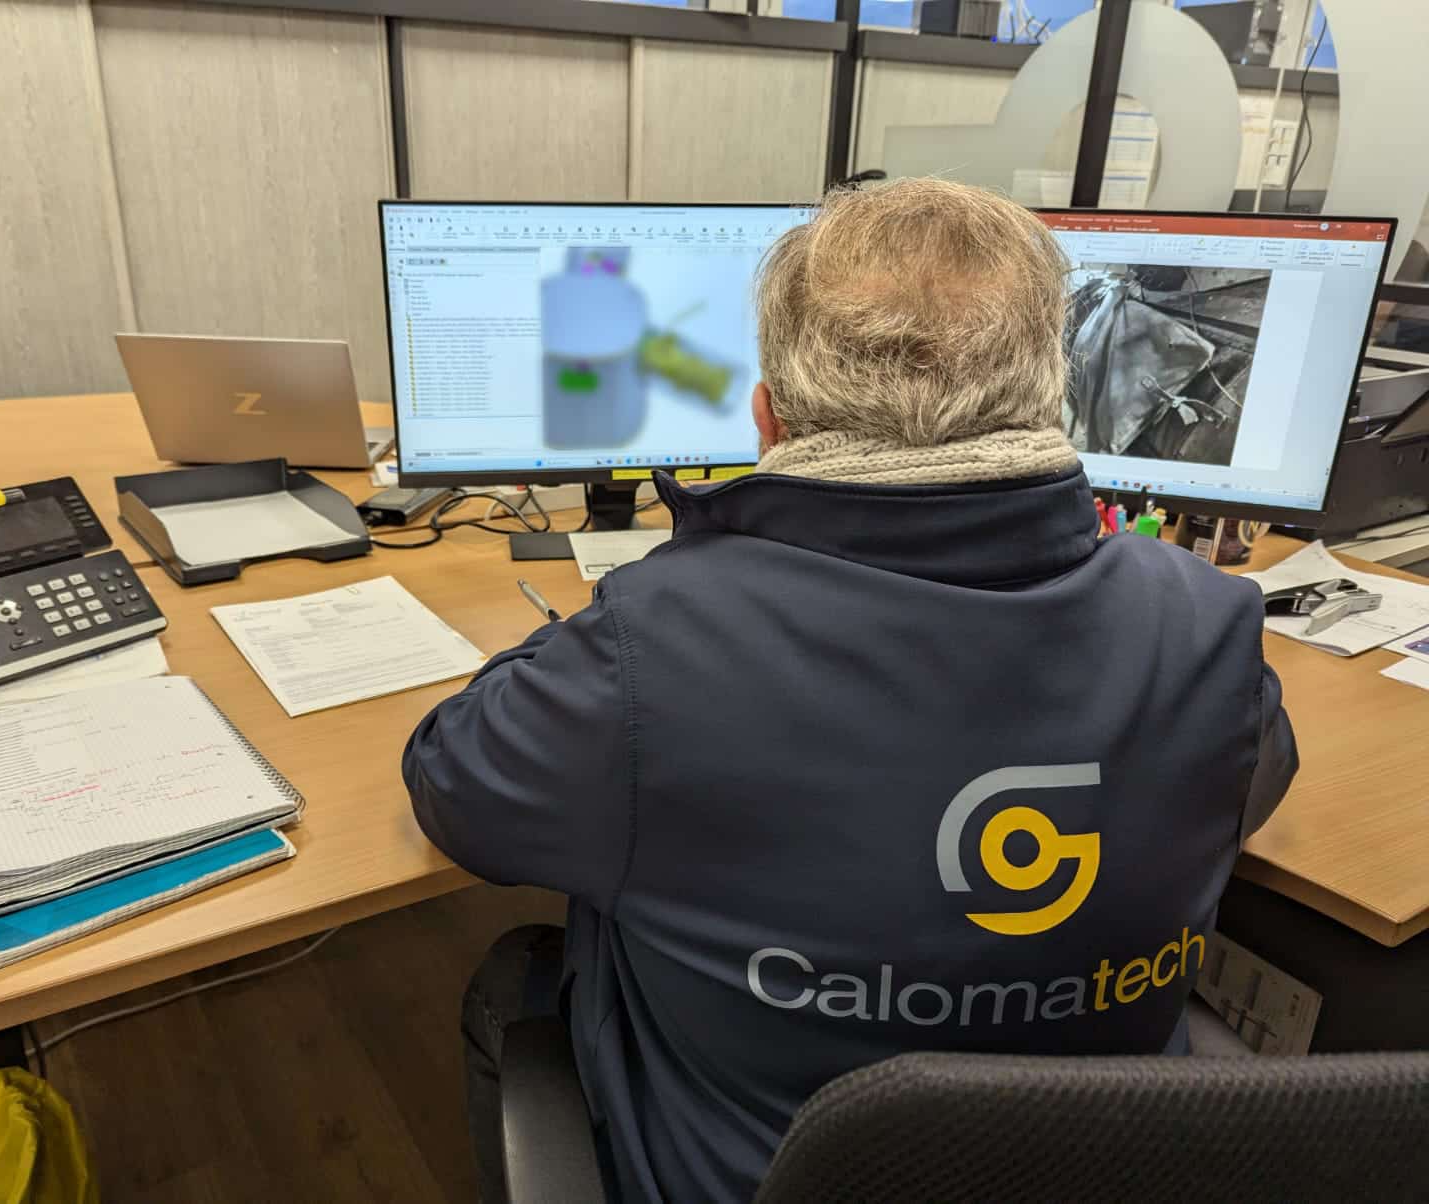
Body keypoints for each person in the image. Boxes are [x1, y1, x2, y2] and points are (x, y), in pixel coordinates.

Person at [402, 179, 1298, 1204]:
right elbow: (1242, 793)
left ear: (768, 419)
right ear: (1053, 397)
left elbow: (452, 786)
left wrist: (593, 633)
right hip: (1103, 1171)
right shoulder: (1209, 623)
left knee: (512, 975)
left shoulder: (654, 648)